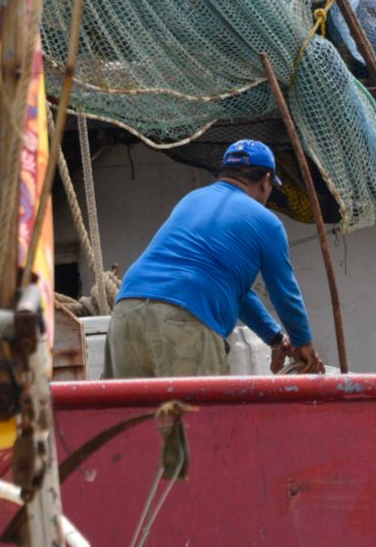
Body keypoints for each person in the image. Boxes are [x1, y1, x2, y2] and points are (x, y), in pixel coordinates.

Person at [103, 139, 322, 378]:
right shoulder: (267, 222)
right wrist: (303, 343)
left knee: (130, 414)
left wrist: (277, 339)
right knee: (198, 415)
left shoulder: (192, 199)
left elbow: (235, 291)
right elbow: (283, 291)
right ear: (266, 179)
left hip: (126, 310)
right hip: (186, 317)